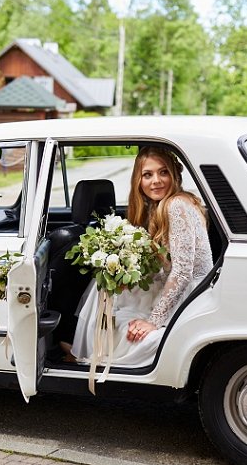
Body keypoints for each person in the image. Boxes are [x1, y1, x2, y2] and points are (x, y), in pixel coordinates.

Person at [68, 146, 214, 367]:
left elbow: (183, 272)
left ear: (174, 174)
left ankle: (87, 354)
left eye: (163, 172)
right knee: (107, 288)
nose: (156, 180)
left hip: (190, 296)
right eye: (148, 174)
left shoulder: (176, 205)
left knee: (134, 327)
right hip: (179, 287)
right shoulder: (162, 206)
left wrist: (153, 321)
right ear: (138, 180)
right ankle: (87, 350)